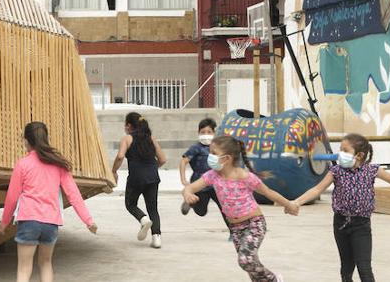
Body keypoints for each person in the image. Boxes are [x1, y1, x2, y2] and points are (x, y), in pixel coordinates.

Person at [291, 133, 390, 282]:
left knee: (364, 267)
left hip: (361, 225)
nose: (340, 154)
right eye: (340, 149)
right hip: (340, 224)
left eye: (345, 150)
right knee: (346, 267)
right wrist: (297, 202)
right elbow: (316, 189)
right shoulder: (336, 171)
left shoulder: (372, 170)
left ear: (359, 155)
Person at [183, 134, 298, 282]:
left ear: (227, 159)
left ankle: (274, 279)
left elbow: (268, 192)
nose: (209, 156)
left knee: (245, 260)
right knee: (250, 265)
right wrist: (187, 194)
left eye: (214, 153)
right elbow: (190, 188)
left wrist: (288, 204)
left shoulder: (245, 176)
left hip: (254, 223)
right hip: (235, 227)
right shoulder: (212, 175)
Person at [0, 122, 97, 282]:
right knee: (45, 264)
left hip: (29, 220)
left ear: (26, 140)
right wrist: (88, 220)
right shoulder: (58, 165)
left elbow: (12, 197)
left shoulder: (23, 164)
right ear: (46, 139)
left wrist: (4, 222)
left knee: (24, 269)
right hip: (51, 222)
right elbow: (74, 195)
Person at [110, 111, 166, 248]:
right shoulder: (150, 137)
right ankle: (156, 238)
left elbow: (120, 156)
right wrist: (152, 169)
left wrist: (113, 171)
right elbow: (163, 159)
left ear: (129, 126)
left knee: (130, 204)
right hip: (153, 177)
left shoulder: (127, 138)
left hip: (136, 177)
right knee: (153, 208)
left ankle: (143, 219)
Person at [180, 118, 228, 228]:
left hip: (216, 184)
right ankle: (190, 201)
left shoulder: (218, 147)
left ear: (214, 133)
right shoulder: (196, 148)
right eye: (203, 132)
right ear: (198, 133)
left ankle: (233, 232)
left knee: (225, 207)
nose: (206, 134)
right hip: (200, 184)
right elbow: (183, 161)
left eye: (209, 132)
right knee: (201, 212)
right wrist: (183, 180)